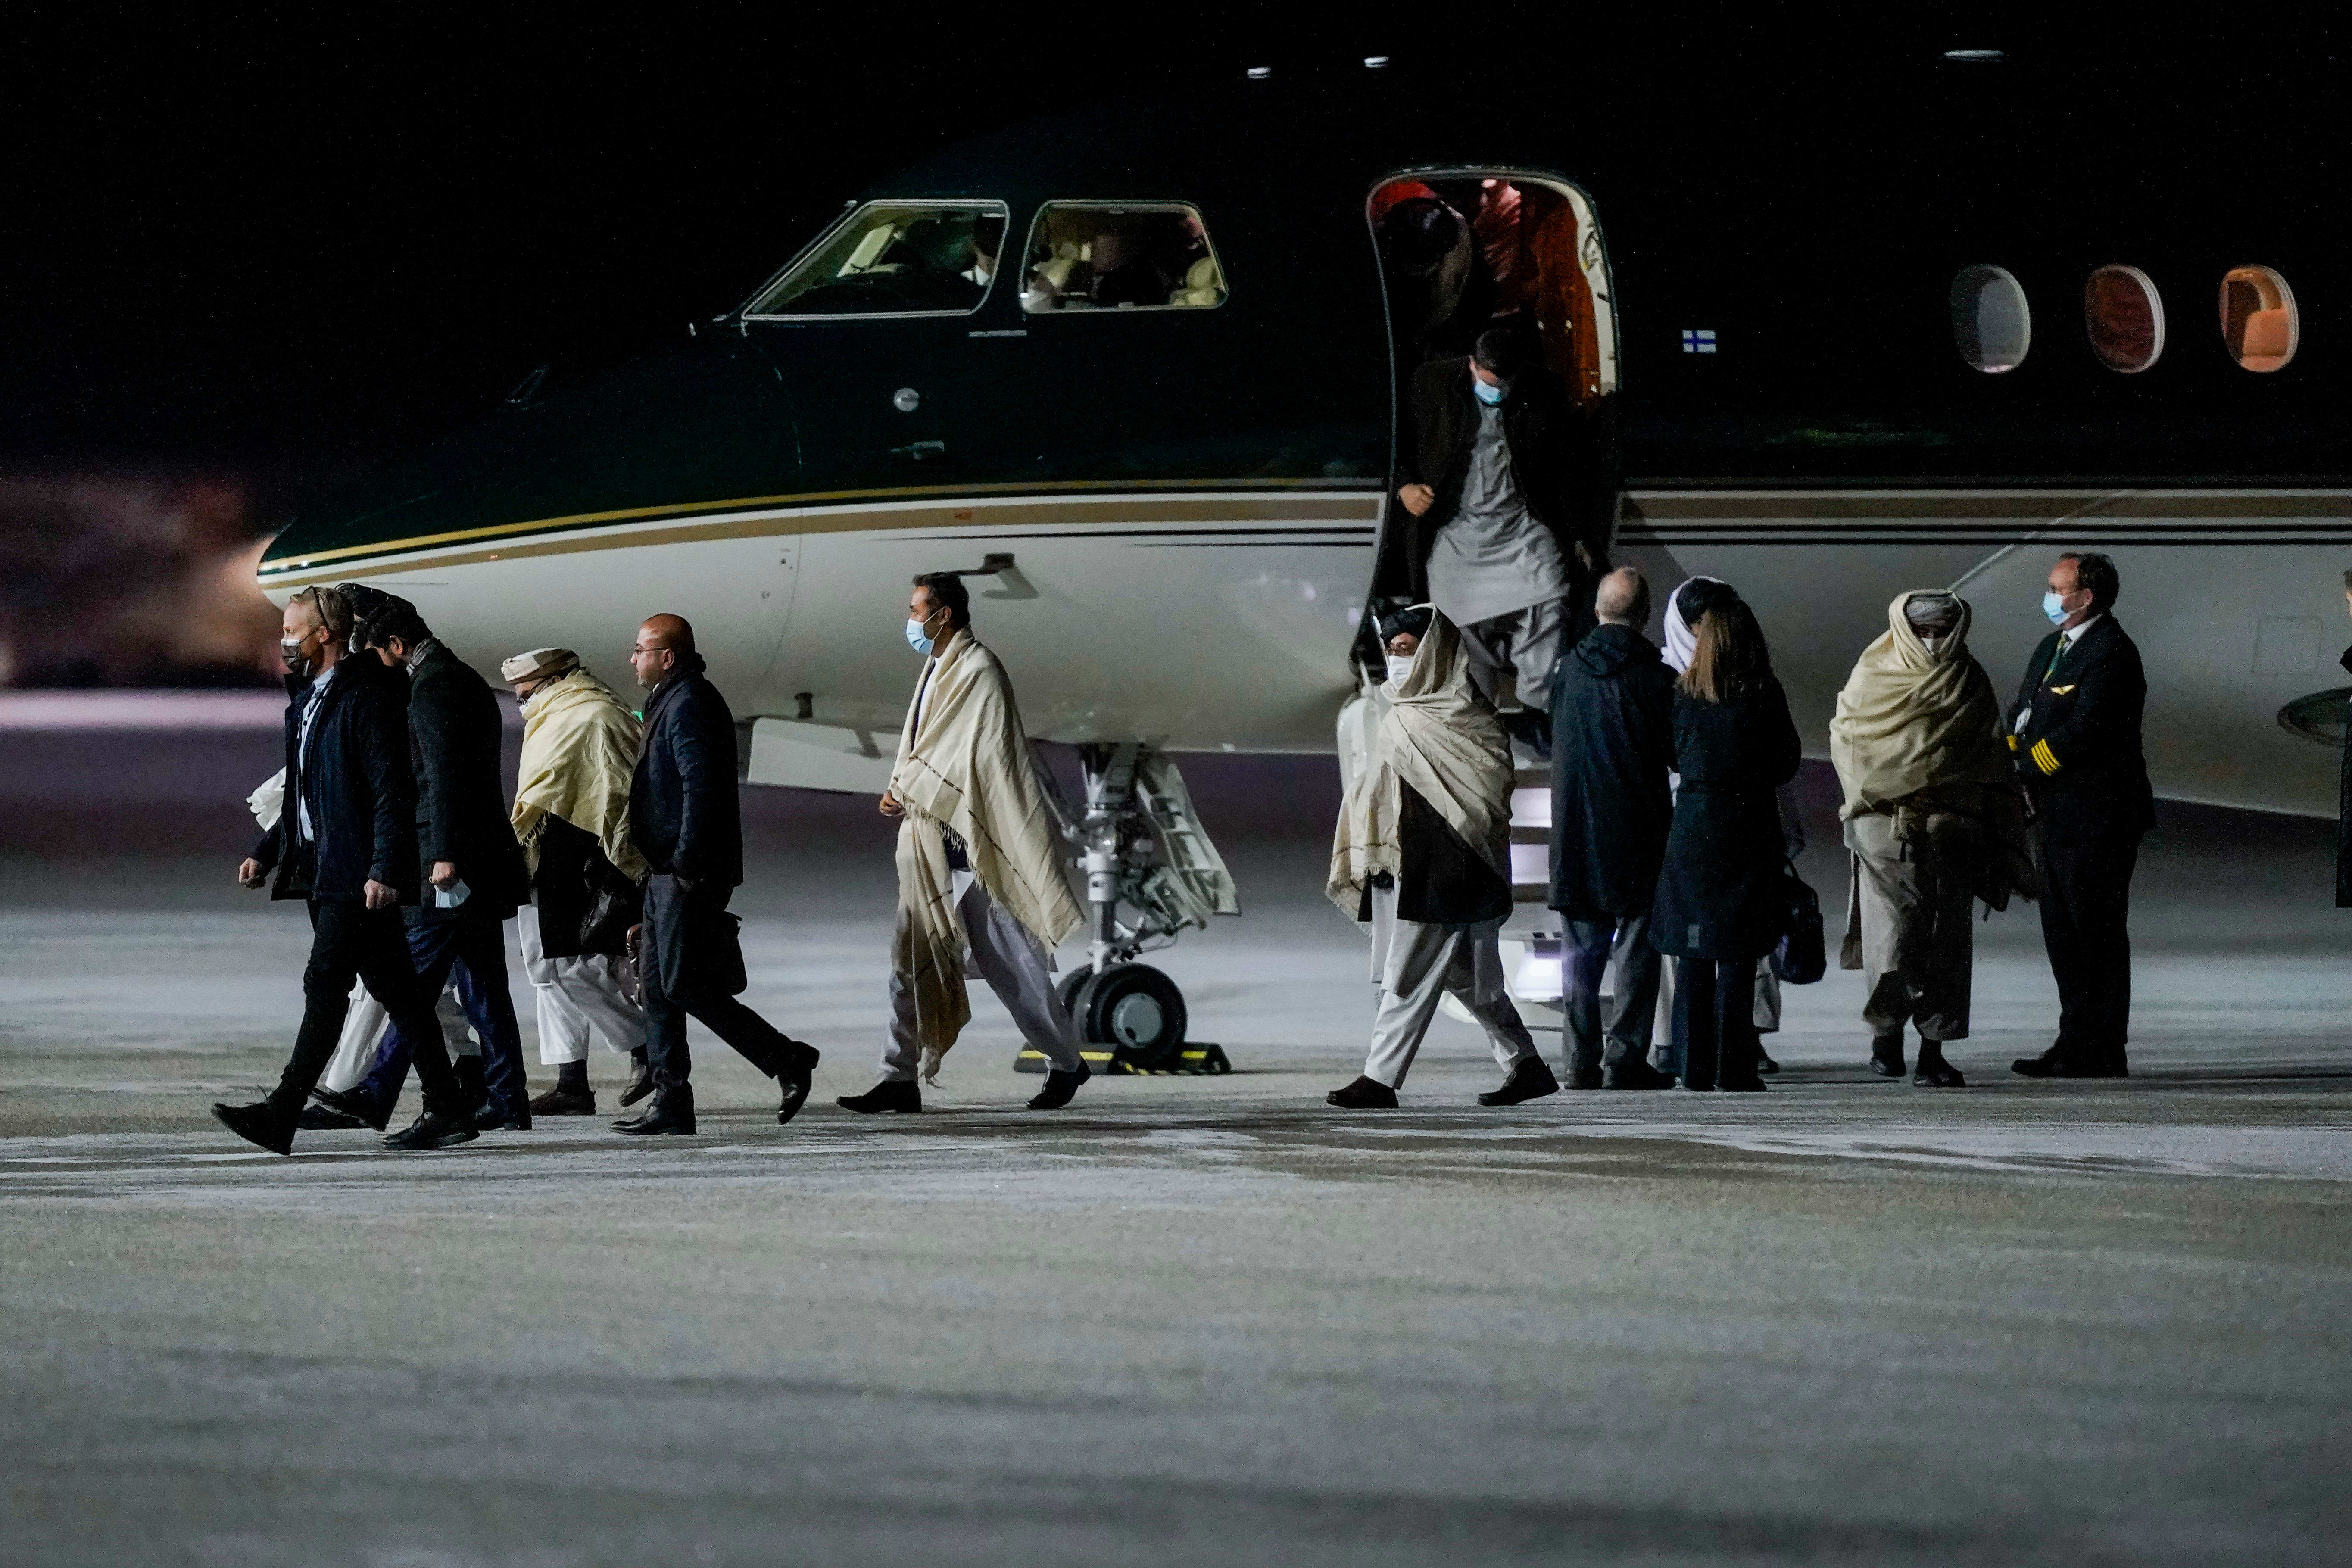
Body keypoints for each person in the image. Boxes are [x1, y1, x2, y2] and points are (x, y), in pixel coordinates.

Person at [212, 586, 476, 1154]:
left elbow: (391, 790)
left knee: (325, 985)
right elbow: (304, 791)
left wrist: (384, 868)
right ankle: (449, 1105)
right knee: (399, 992)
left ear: (325, 635)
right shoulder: (310, 700)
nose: (285, 641)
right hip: (322, 867)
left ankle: (281, 1111)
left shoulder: (367, 697)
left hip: (353, 874)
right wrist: (269, 849)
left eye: (292, 630)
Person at [838, 573, 1092, 1114]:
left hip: (978, 847)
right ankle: (898, 1077)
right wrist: (903, 786)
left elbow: (978, 755)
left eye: (916, 611)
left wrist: (907, 787)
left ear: (944, 614)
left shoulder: (979, 671)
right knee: (911, 960)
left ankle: (1068, 1062)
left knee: (1013, 971)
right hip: (933, 845)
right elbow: (927, 747)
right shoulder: (936, 667)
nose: (910, 621)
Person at [311, 590, 533, 1133]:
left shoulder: (433, 687)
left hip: (451, 865)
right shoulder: (462, 678)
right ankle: (508, 1098)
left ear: (396, 644)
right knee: (483, 987)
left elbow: (442, 775)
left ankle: (381, 1095)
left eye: (379, 653)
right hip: (480, 859)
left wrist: (443, 854)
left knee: (408, 986)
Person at [1326, 607, 1555, 1108]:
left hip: (1452, 864)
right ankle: (1526, 1066)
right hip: (1410, 863)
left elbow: (1486, 794)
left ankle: (1379, 1080)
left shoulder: (1468, 717)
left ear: (1434, 654)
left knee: (1407, 974)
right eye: (1391, 651)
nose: (1396, 661)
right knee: (1469, 980)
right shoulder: (1403, 712)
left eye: (1406, 651)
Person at [618, 614, 818, 1135]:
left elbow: (700, 789)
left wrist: (686, 864)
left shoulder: (690, 703)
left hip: (688, 871)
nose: (632, 658)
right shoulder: (670, 698)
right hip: (665, 870)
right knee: (657, 987)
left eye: (640, 650)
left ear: (666, 657)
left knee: (682, 984)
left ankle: (787, 1058)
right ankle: (671, 1101)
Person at [1829, 592, 2037, 1087]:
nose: (1932, 641)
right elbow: (1852, 744)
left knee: (1947, 943)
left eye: (1942, 631)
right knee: (1893, 938)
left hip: (1953, 830)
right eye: (1922, 631)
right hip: (1885, 832)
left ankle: (1933, 1050)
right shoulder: (1872, 675)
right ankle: (1885, 1034)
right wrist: (1904, 783)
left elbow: (1989, 753)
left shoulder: (1968, 678)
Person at [1392, 325, 1599, 749]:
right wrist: (1404, 488)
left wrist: (1579, 535)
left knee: (1549, 594)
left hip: (1521, 525)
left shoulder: (1543, 390)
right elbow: (1398, 444)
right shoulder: (1431, 383)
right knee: (1456, 620)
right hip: (1456, 528)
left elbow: (1566, 468)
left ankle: (1539, 706)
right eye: (1486, 382)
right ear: (1471, 365)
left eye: (1502, 386)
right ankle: (1476, 717)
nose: (1494, 392)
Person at [2008, 552, 2155, 1079]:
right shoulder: (2053, 647)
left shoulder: (2111, 652)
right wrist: (2013, 764)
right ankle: (2074, 1040)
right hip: (2054, 816)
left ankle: (2104, 1047)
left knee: (2096, 934)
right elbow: (2020, 713)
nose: (2048, 597)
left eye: (2057, 588)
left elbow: (2088, 730)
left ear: (2086, 597)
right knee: (2063, 935)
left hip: (2097, 817)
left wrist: (2028, 767)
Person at [1650, 594, 1802, 1092]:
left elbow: (1671, 756)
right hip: (1747, 825)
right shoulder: (1763, 692)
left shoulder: (1682, 692)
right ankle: (1734, 1068)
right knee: (1739, 948)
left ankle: (1692, 1066)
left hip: (1694, 826)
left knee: (1693, 950)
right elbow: (1786, 762)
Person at [502, 646, 649, 1118]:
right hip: (542, 860)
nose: (522, 701)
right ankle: (571, 1084)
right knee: (545, 972)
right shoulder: (552, 714)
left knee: (576, 971)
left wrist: (620, 861)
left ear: (553, 680)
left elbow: (618, 791)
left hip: (583, 863)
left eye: (526, 691)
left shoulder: (595, 714)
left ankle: (646, 1047)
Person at [1547, 568, 1676, 1089]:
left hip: (1576, 831)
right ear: (1644, 615)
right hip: (1639, 831)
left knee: (1580, 954)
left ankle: (1579, 1062)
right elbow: (1675, 752)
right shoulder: (1657, 678)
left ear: (1598, 610)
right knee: (1637, 952)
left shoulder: (1567, 673)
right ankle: (1624, 1059)